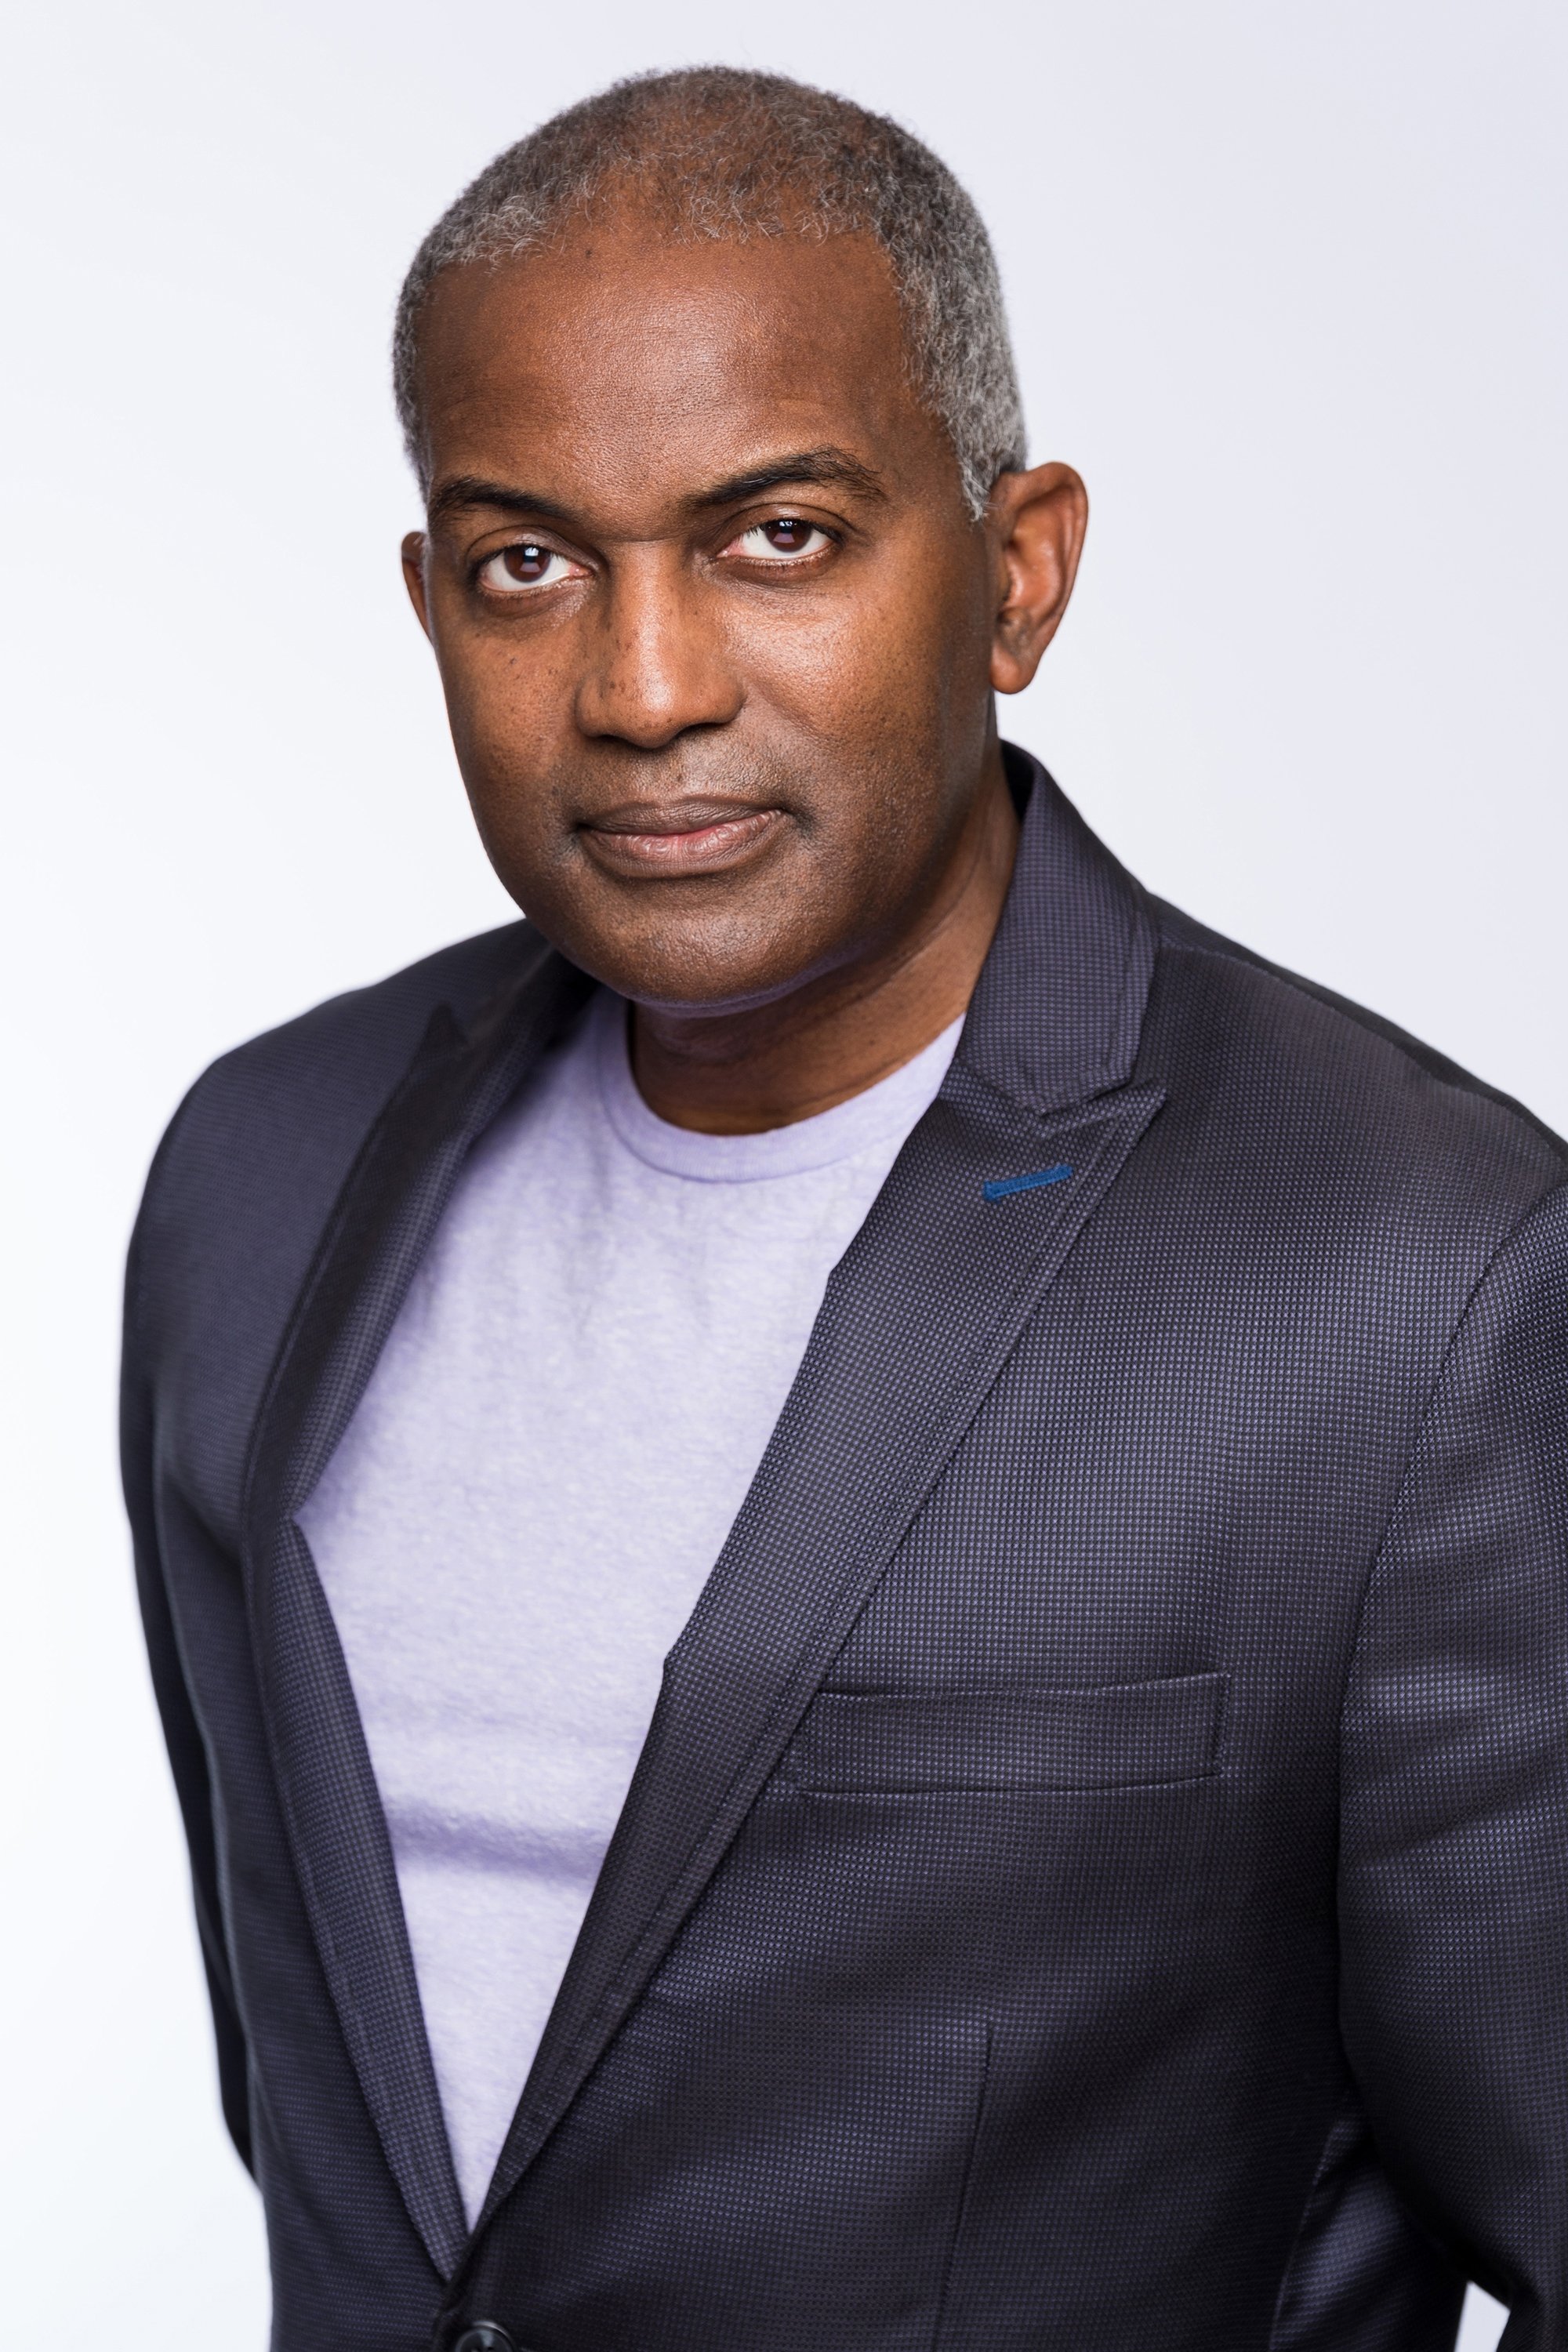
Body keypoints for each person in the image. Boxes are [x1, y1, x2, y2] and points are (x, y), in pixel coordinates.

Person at [123, 65, 1568, 2352]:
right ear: (428, 602)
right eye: (528, 564)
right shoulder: (261, 1173)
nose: (644, 689)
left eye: (777, 536)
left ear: (1019, 572)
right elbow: (343, 2118)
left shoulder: (1417, 1272)